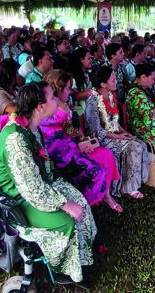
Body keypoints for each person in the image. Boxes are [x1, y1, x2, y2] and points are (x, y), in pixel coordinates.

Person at [0, 82, 96, 289]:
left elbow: (40, 171)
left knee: (81, 203)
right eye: (51, 97)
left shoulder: (30, 126)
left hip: (39, 184)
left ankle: (80, 258)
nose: (57, 100)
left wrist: (66, 196)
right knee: (65, 221)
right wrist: (64, 204)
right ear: (40, 106)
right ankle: (60, 271)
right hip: (18, 197)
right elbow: (31, 189)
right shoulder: (15, 138)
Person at [41, 70, 122, 211]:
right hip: (62, 156)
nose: (72, 91)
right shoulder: (50, 110)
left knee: (106, 155)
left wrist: (83, 142)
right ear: (57, 90)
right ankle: (83, 207)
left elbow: (75, 129)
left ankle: (106, 196)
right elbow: (64, 120)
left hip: (75, 148)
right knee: (97, 171)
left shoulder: (65, 104)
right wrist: (60, 103)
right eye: (67, 88)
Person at [85, 66, 149, 199]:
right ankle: (127, 189)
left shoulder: (110, 96)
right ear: (103, 84)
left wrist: (124, 132)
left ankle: (134, 182)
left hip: (114, 134)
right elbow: (96, 131)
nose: (116, 83)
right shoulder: (93, 101)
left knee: (141, 144)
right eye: (113, 80)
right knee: (134, 147)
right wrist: (119, 136)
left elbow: (115, 122)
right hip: (102, 139)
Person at [67, 47, 94, 116]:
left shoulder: (88, 73)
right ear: (81, 59)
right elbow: (74, 96)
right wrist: (92, 92)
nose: (91, 60)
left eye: (91, 58)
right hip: (79, 110)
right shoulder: (73, 76)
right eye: (89, 58)